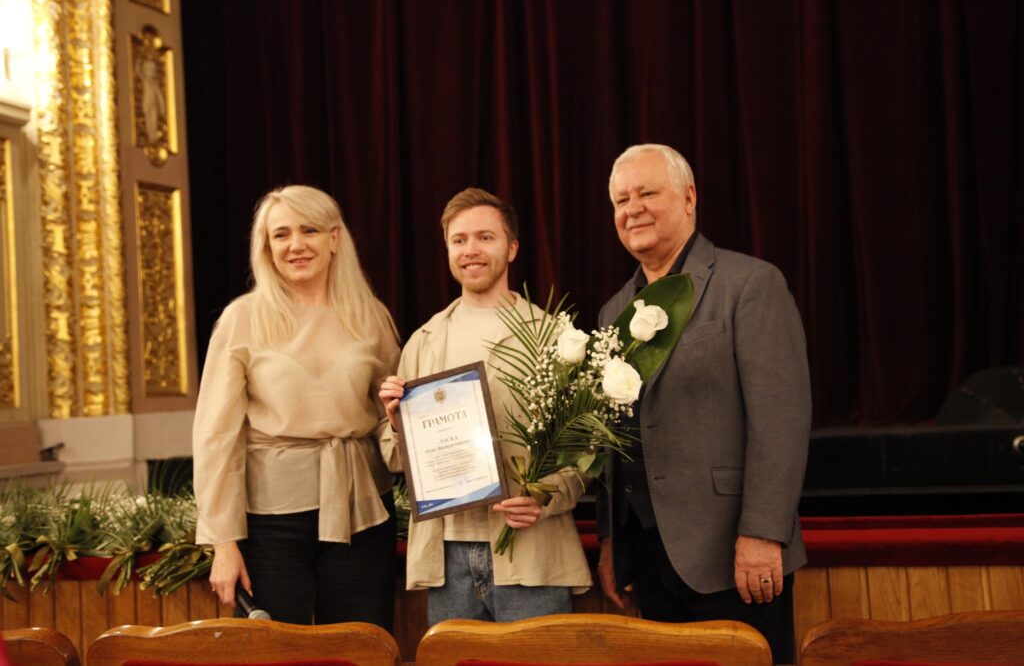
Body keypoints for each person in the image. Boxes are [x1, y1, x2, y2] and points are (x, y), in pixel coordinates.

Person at [597, 144, 811, 663]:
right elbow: (613, 440)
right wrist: (611, 543)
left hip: (734, 556)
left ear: (689, 198)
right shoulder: (613, 311)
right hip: (648, 559)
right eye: (622, 200)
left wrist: (762, 534)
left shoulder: (750, 284)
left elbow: (780, 422)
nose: (633, 209)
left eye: (647, 193)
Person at [378, 188, 591, 625]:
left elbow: (588, 451)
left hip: (532, 551)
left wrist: (544, 498)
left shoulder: (555, 337)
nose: (470, 249)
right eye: (459, 240)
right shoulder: (423, 341)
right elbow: (394, 458)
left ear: (511, 248)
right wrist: (399, 426)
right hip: (447, 555)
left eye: (485, 237)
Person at [193, 184, 400, 628]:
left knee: (363, 648)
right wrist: (223, 543)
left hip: (364, 511)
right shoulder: (241, 319)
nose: (296, 245)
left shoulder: (370, 315)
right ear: (266, 247)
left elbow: (393, 416)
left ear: (334, 238)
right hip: (271, 523)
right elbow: (216, 437)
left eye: (309, 230)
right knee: (278, 652)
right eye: (281, 234)